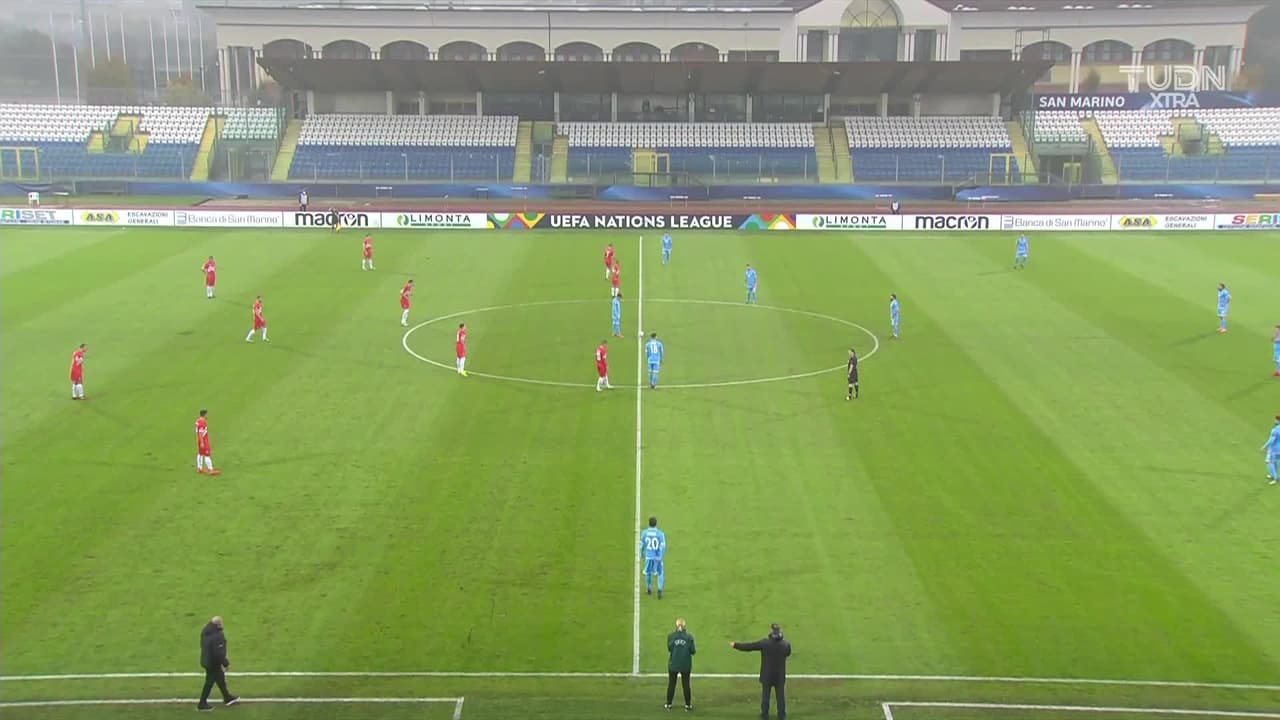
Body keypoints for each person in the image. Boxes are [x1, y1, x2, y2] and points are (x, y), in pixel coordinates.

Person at [731, 623, 792, 720]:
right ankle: (781, 715)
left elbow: (750, 647)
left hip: (767, 675)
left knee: (766, 697)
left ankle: (765, 715)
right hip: (779, 676)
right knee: (780, 697)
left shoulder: (765, 643)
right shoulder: (785, 645)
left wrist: (736, 645)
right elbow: (788, 653)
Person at [198, 616, 238, 711]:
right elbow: (218, 653)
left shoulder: (205, 631)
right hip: (213, 663)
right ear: (218, 625)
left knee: (220, 679)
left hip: (207, 660)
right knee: (209, 682)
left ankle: (227, 697)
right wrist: (226, 663)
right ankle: (202, 703)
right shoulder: (217, 636)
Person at [665, 617, 695, 710]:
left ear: (676, 625)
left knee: (671, 684)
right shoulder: (689, 637)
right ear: (685, 626)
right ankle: (688, 705)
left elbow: (669, 649)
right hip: (685, 665)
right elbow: (693, 651)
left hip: (673, 664)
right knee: (686, 685)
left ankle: (669, 704)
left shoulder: (671, 636)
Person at [640, 516, 666, 598]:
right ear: (656, 523)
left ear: (649, 523)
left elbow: (641, 545)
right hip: (657, 557)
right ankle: (660, 590)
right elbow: (662, 546)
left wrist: (641, 554)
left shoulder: (644, 533)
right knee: (660, 573)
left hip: (649, 557)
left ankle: (649, 588)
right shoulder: (660, 534)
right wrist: (661, 556)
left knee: (648, 572)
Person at [196, 409, 220, 476]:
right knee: (207, 454)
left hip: (199, 439)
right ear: (204, 414)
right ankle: (210, 469)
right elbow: (201, 433)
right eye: (207, 414)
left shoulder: (198, 420)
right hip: (203, 440)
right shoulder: (202, 422)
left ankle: (199, 468)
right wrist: (202, 442)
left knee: (200, 453)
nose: (207, 415)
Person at [1263, 415, 1280, 484]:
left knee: (1270, 462)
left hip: (1275, 449)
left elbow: (1271, 440)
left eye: (1276, 420)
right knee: (1275, 462)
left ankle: (1275, 478)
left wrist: (1264, 446)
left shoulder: (1275, 430)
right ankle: (1273, 475)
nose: (1275, 421)